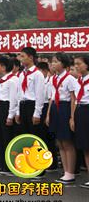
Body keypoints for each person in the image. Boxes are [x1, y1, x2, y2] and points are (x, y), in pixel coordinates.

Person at [46, 53, 80, 184]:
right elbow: (51, 97)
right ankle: (65, 171)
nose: (53, 64)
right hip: (55, 108)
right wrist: (49, 114)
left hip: (65, 108)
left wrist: (72, 116)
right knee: (59, 142)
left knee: (67, 142)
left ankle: (70, 172)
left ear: (64, 64)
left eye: (56, 61)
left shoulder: (69, 79)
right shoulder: (52, 78)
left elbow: (73, 98)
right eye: (52, 62)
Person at [0, 55, 18, 175]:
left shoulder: (12, 80)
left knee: (7, 137)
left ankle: (9, 166)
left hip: (6, 107)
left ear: (4, 67)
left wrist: (10, 116)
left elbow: (13, 99)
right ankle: (0, 163)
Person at [16, 46, 46, 138]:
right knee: (25, 135)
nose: (20, 59)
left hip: (32, 106)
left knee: (34, 135)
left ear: (31, 57)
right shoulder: (21, 74)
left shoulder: (37, 74)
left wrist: (37, 113)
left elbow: (40, 95)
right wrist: (18, 112)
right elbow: (19, 94)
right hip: (23, 106)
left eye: (23, 56)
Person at [72, 55, 89, 189]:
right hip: (80, 111)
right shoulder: (78, 81)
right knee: (85, 146)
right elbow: (75, 100)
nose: (76, 66)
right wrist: (72, 117)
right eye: (75, 64)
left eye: (79, 64)